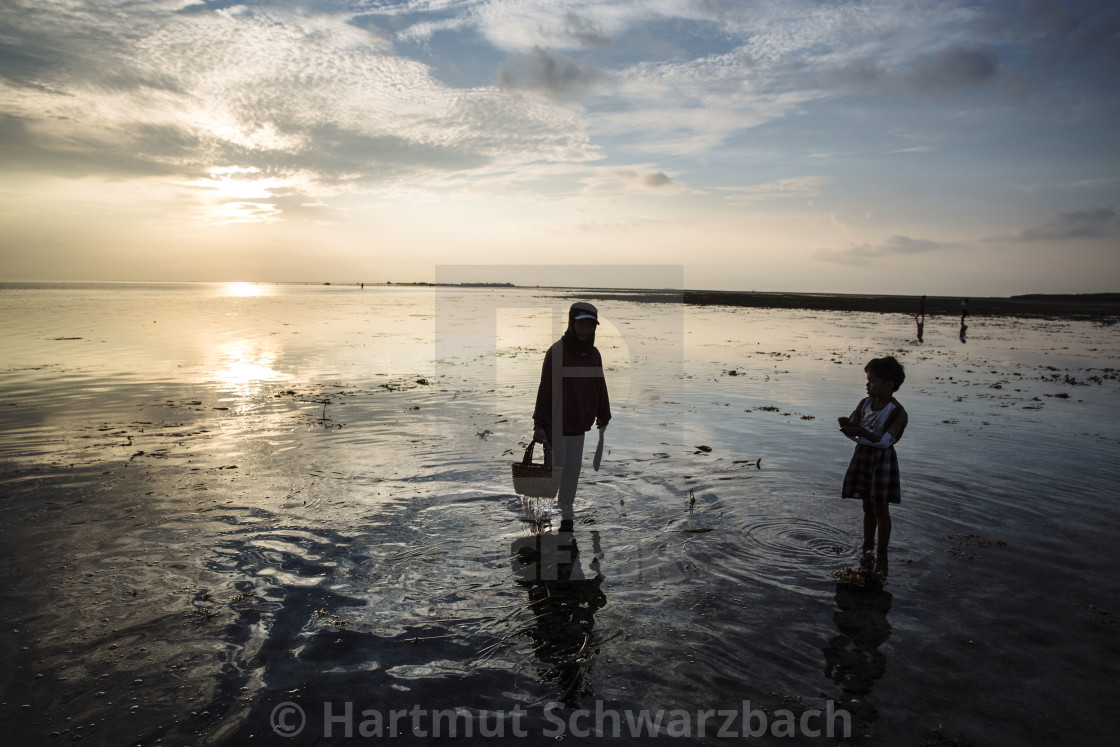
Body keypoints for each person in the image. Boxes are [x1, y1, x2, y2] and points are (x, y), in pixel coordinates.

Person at [533, 302, 611, 533]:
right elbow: (545, 388)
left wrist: (603, 413)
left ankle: (566, 517)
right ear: (572, 323)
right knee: (556, 470)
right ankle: (542, 517)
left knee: (573, 472)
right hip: (556, 424)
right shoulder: (557, 351)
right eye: (581, 324)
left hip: (579, 424)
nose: (585, 329)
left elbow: (600, 386)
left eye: (590, 325)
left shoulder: (594, 354)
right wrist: (539, 424)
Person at [838, 356, 908, 560]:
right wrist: (847, 426)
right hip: (863, 455)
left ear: (889, 384)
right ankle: (867, 546)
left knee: (881, 507)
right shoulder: (865, 403)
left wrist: (860, 430)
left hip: (882, 460)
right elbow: (853, 429)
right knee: (867, 506)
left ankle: (882, 551)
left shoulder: (897, 411)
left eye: (873, 381)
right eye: (868, 380)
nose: (868, 385)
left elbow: (886, 441)